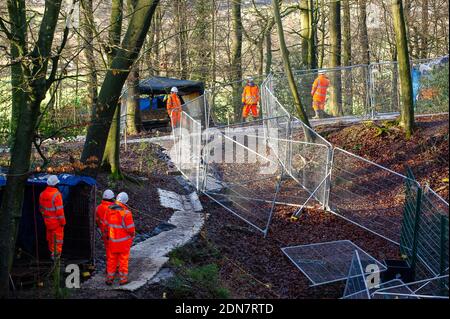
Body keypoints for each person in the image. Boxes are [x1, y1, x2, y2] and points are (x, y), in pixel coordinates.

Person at [105, 192, 135, 285]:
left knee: (112, 260)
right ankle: (123, 280)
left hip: (112, 242)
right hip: (123, 243)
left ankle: (109, 279)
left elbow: (105, 225)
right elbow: (131, 229)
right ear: (125, 202)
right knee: (123, 261)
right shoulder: (126, 213)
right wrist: (133, 235)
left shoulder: (108, 210)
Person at [39, 175, 66, 260]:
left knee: (50, 241)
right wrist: (63, 223)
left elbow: (41, 209)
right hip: (57, 224)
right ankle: (55, 264)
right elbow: (60, 212)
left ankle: (52, 259)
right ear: (56, 184)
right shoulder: (57, 195)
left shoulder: (42, 194)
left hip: (47, 223)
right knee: (57, 243)